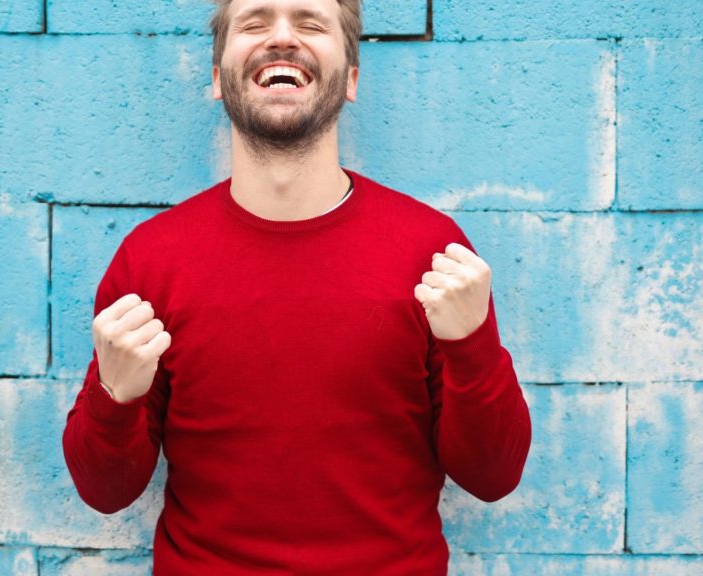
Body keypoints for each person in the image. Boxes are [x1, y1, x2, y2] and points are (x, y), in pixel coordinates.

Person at [62, 0, 532, 573]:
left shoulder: (432, 253)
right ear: (217, 78)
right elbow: (105, 492)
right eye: (255, 23)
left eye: (310, 23)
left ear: (351, 79)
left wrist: (472, 345)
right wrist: (117, 397)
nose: (281, 37)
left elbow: (493, 476)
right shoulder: (151, 261)